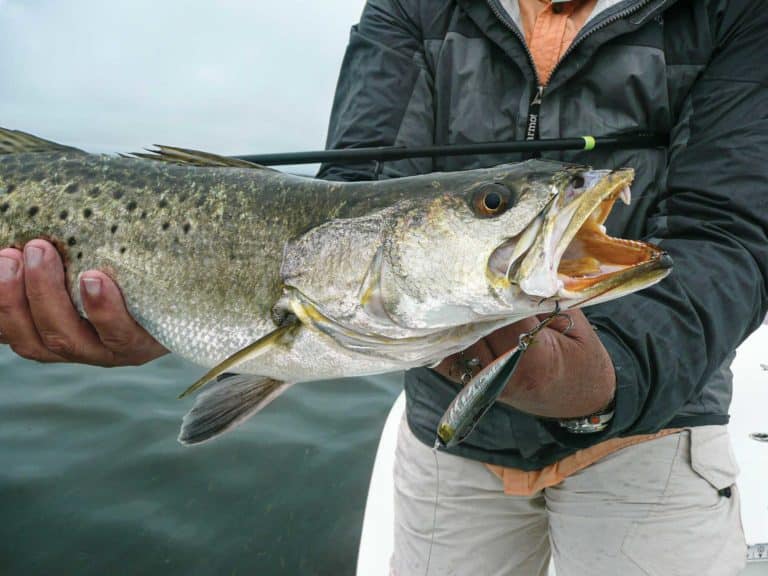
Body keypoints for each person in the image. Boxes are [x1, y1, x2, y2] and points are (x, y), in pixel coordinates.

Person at [0, 0, 765, 574]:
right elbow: (356, 187)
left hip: (659, 428)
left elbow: (730, 234)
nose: (502, 210)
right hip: (446, 430)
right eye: (492, 205)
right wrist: (160, 312)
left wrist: (608, 374)